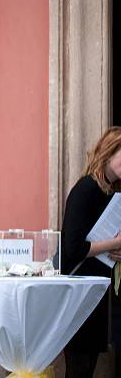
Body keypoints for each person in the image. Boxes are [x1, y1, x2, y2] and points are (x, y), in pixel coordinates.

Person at [61, 126, 121, 378]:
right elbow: (73, 249)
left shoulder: (111, 193)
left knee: (86, 370)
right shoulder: (85, 189)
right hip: (77, 295)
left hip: (95, 294)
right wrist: (113, 244)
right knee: (79, 369)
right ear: (108, 154)